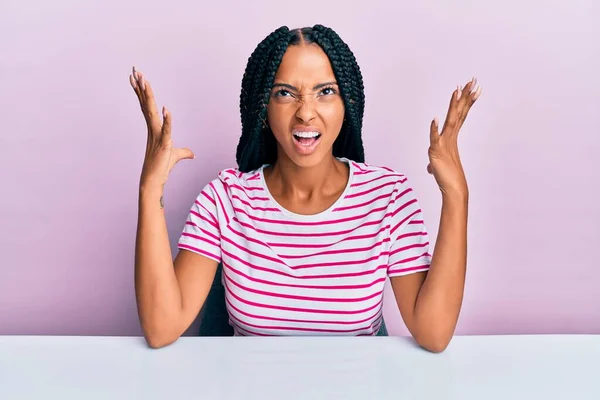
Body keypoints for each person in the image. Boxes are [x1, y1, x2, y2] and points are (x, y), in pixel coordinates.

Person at [130, 25, 481, 352]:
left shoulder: (388, 197)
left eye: (325, 92)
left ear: (347, 106)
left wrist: (457, 196)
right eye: (285, 93)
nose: (306, 114)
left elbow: (433, 334)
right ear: (264, 109)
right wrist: (150, 189)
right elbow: (162, 328)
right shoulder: (224, 200)